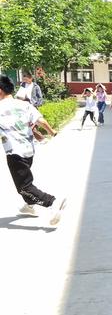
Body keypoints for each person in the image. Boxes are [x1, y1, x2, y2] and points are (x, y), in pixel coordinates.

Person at [0, 75, 66, 226]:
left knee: (24, 187)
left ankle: (53, 202)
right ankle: (29, 206)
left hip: (15, 153)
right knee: (25, 179)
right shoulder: (24, 105)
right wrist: (51, 131)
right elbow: (40, 120)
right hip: (29, 151)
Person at [15, 72, 44, 141]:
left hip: (32, 105)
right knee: (27, 122)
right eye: (24, 79)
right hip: (23, 105)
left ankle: (39, 137)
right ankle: (37, 137)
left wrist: (36, 105)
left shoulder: (36, 86)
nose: (25, 81)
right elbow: (19, 94)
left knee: (33, 122)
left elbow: (40, 97)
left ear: (31, 78)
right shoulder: (23, 85)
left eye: (26, 79)